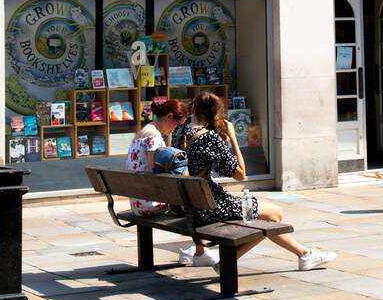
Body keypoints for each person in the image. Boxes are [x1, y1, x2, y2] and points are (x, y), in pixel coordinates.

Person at [177, 91, 335, 271]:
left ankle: (305, 254)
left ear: (194, 107)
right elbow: (240, 174)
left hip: (191, 205)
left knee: (269, 217)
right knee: (274, 215)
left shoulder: (179, 132)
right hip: (212, 206)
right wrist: (233, 138)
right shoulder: (208, 137)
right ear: (215, 113)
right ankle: (303, 255)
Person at [124, 99, 216, 267]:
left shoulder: (144, 131)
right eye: (176, 124)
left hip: (138, 201)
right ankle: (200, 251)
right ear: (168, 116)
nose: (175, 129)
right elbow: (155, 174)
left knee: (190, 196)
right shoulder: (154, 136)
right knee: (196, 203)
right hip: (148, 204)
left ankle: (199, 250)